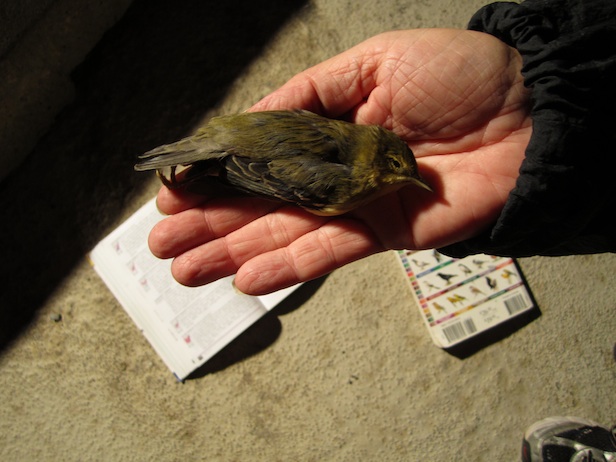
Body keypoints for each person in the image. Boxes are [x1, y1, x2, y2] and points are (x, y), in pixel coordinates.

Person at [148, 1, 615, 459]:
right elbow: (271, 178)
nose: (403, 182)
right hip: (241, 152)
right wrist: (217, 171)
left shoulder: (357, 146)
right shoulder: (348, 182)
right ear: (377, 160)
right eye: (396, 169)